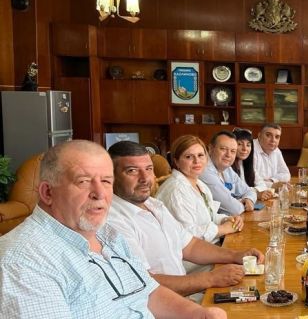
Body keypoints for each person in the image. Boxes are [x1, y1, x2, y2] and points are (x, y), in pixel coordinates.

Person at [0, 140, 225, 318]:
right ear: (48, 192)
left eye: (106, 181)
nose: (100, 193)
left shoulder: (108, 234)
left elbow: (148, 292)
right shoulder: (23, 262)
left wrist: (198, 314)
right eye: (83, 181)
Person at [107, 141, 263, 298]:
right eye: (132, 171)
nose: (144, 178)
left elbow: (189, 245)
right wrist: (210, 279)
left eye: (148, 169)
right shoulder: (113, 222)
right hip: (162, 304)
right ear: (110, 176)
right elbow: (142, 284)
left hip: (184, 293)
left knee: (258, 289)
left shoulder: (154, 205)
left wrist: (236, 256)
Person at [156, 135, 243, 244]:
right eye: (189, 157)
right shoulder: (176, 190)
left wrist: (226, 219)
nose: (197, 161)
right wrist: (223, 229)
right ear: (176, 161)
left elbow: (209, 217)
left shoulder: (199, 184)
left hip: (209, 245)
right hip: (192, 253)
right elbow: (188, 236)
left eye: (200, 155)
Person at [201, 131, 257, 215]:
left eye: (233, 151)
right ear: (211, 149)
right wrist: (242, 204)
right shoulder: (204, 171)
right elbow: (234, 209)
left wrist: (249, 199)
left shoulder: (227, 169)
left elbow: (250, 191)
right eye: (223, 149)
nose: (228, 155)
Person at [252, 123, 291, 198]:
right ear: (259, 136)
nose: (273, 140)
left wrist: (271, 181)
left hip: (268, 194)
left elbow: (286, 174)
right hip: (255, 196)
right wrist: (273, 185)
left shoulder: (276, 150)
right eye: (268, 135)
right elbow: (252, 181)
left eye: (277, 137)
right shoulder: (250, 150)